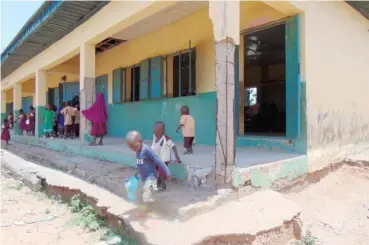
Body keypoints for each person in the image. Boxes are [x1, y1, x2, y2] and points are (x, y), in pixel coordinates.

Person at [126, 131, 171, 204]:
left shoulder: (146, 149)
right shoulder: (138, 149)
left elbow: (158, 160)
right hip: (143, 178)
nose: (135, 150)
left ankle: (147, 210)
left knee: (146, 194)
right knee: (143, 194)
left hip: (151, 177)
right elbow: (142, 162)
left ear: (141, 141)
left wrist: (167, 171)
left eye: (135, 147)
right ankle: (152, 205)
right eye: (132, 149)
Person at [151, 121, 181, 190]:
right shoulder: (155, 137)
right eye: (154, 131)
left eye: (157, 132)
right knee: (155, 170)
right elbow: (153, 147)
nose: (155, 133)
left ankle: (163, 184)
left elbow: (173, 146)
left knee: (161, 172)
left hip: (164, 160)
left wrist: (177, 156)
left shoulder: (167, 139)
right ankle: (158, 181)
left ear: (162, 131)